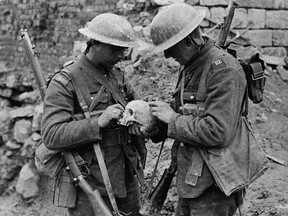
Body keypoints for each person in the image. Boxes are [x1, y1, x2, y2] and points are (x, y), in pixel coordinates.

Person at [148, 3, 248, 216]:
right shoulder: (191, 66)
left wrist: (172, 118)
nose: (166, 56)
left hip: (215, 185)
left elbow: (218, 131)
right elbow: (183, 114)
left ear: (188, 41)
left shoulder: (224, 71)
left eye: (170, 47)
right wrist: (154, 127)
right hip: (191, 179)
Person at [41, 13, 145, 216]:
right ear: (95, 43)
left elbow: (138, 106)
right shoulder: (65, 82)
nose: (122, 55)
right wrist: (98, 122)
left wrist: (143, 119)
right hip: (90, 184)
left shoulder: (118, 77)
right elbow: (52, 135)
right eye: (116, 49)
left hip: (126, 179)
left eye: (124, 49)